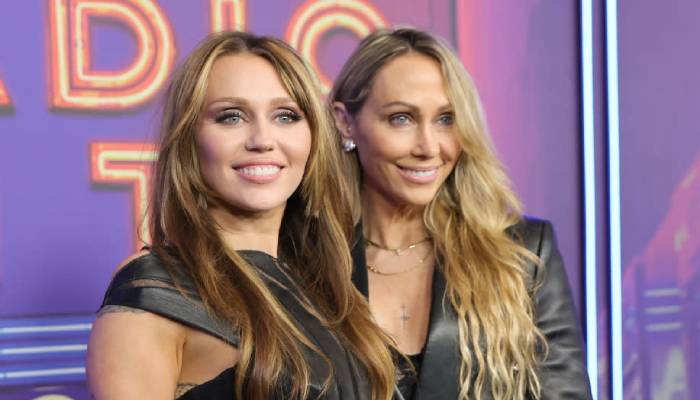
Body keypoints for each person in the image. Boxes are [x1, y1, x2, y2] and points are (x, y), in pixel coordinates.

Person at [87, 31, 396, 400]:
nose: (262, 140)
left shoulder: (329, 290)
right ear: (189, 140)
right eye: (231, 117)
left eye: (286, 116)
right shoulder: (158, 289)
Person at [330, 28, 593, 400]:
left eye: (446, 119)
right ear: (345, 121)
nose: (428, 147)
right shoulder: (308, 261)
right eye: (401, 118)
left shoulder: (521, 256)